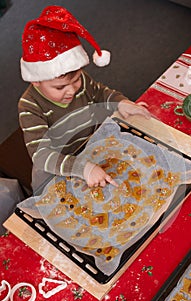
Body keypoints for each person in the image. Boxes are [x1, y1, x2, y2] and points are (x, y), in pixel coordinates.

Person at [18, 5, 150, 191]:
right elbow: (42, 156)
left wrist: (120, 102)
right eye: (60, 87)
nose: (71, 90)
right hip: (62, 167)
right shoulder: (29, 106)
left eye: (76, 80)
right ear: (36, 81)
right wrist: (82, 168)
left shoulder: (79, 80)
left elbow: (101, 93)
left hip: (92, 147)